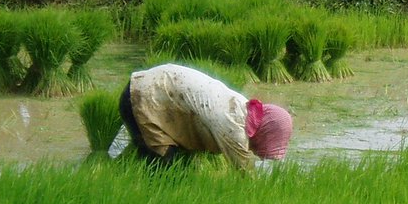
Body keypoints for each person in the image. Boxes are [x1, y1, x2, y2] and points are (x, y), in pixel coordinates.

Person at [118, 63, 293, 170]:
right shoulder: (233, 126)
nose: (262, 155)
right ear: (263, 132)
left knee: (170, 170)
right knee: (161, 168)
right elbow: (247, 175)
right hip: (142, 96)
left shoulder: (241, 106)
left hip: (153, 88)